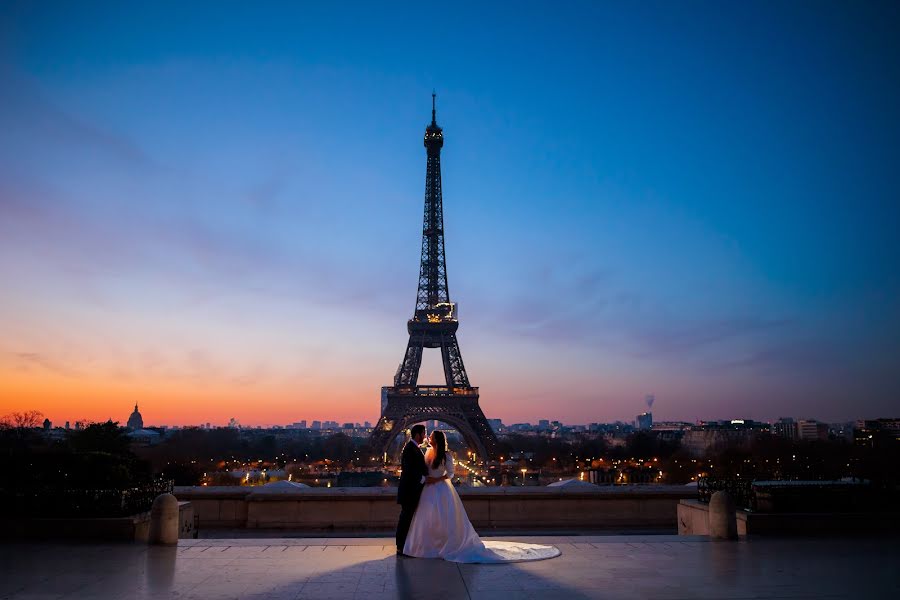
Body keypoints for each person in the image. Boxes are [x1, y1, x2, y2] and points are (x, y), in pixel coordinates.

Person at [402, 429, 560, 563]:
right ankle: (431, 546)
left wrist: (435, 479)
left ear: (437, 440)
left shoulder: (446, 455)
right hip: (429, 490)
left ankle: (439, 546)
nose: (427, 438)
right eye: (426, 436)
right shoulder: (427, 452)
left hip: (439, 488)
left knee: (440, 519)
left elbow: (450, 473)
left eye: (430, 437)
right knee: (430, 519)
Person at [395, 424, 444, 555]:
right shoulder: (410, 448)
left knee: (407, 518)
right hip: (409, 491)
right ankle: (401, 547)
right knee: (406, 518)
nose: (425, 437)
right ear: (417, 435)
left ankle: (404, 545)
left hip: (411, 491)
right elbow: (409, 470)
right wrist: (424, 479)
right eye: (424, 434)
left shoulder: (412, 448)